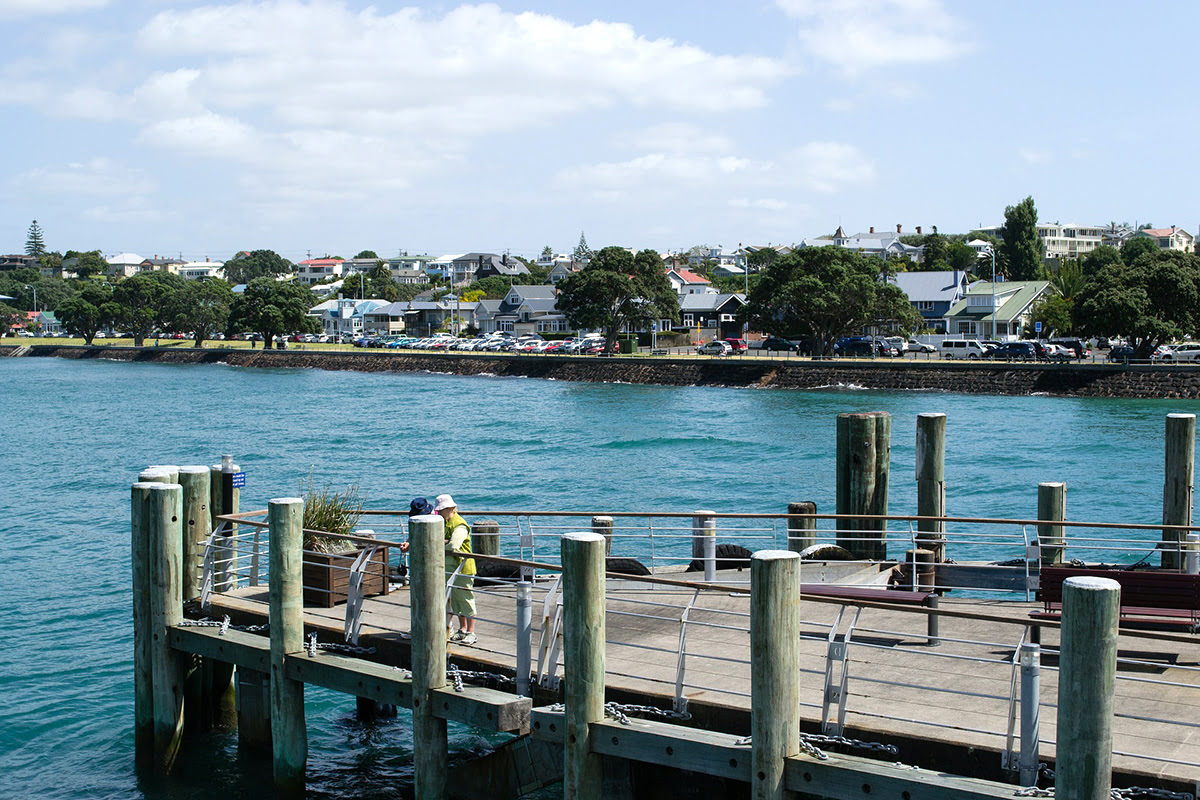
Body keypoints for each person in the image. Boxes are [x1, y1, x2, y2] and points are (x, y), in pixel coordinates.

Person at [434, 494, 476, 645]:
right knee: (455, 600)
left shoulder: (460, 524)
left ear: (450, 509)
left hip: (463, 568)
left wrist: (437, 543)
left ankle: (471, 632)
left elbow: (454, 545)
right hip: (451, 568)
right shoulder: (446, 522)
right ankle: (462, 629)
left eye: (442, 510)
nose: (439, 513)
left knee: (465, 599)